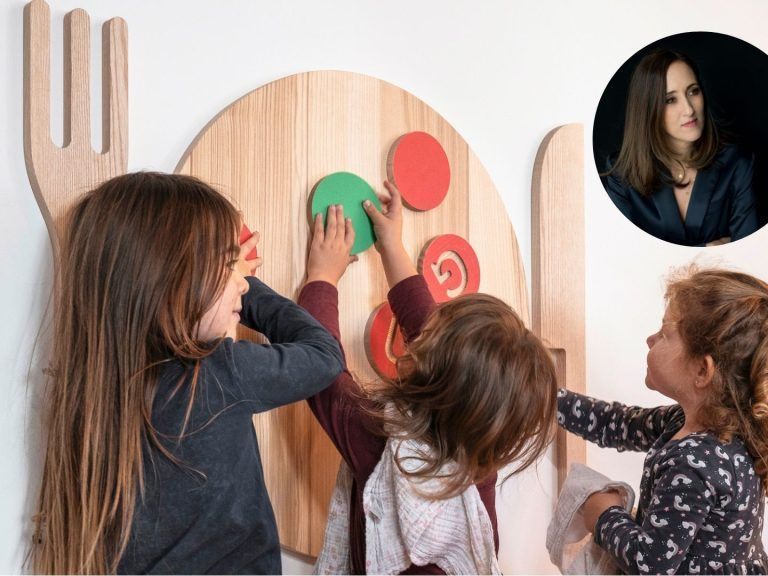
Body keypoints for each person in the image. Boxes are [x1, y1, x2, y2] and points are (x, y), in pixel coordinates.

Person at [29, 172, 344, 574]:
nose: (240, 282)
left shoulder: (90, 389)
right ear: (169, 280)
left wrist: (226, 286)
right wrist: (257, 286)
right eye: (228, 264)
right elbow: (324, 355)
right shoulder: (218, 375)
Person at [297, 182, 558, 574]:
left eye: (432, 335)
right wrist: (391, 246)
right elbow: (435, 335)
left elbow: (322, 374)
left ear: (433, 372)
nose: (423, 332)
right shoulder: (476, 451)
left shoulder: (386, 448)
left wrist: (321, 277)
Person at [558, 265, 768, 574]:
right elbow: (618, 424)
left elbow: (649, 564)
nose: (650, 339)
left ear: (702, 371)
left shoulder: (695, 462)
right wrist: (551, 400)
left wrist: (603, 515)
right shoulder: (687, 422)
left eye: (664, 333)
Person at [603, 49, 759, 246]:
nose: (689, 109)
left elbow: (748, 252)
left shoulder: (737, 163)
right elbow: (622, 255)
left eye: (693, 91)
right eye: (670, 100)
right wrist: (706, 249)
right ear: (648, 109)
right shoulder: (621, 175)